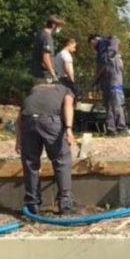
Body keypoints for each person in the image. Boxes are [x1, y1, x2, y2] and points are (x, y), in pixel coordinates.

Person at [14, 82, 77, 215]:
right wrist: (69, 129)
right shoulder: (67, 90)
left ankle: (32, 205)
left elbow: (20, 117)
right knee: (62, 160)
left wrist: (18, 140)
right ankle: (65, 205)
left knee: (31, 163)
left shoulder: (35, 89)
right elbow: (68, 106)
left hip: (28, 121)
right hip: (50, 121)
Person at [88, 34, 129, 136]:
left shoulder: (103, 47)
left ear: (94, 40)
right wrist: (96, 83)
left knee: (115, 104)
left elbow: (115, 39)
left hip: (113, 80)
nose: (91, 47)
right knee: (109, 105)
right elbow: (102, 69)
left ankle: (119, 128)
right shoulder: (102, 53)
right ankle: (112, 128)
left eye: (90, 44)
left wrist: (94, 83)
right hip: (109, 81)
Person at [30, 15, 64, 84]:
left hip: (37, 73)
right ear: (53, 25)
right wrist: (53, 75)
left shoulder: (40, 33)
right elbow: (46, 57)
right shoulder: (47, 37)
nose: (60, 28)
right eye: (59, 26)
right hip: (44, 75)